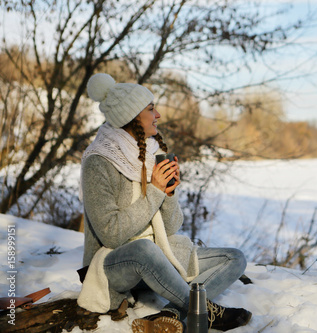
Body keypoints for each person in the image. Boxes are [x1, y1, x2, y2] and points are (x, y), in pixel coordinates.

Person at [77, 73, 252, 332]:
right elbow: (111, 235)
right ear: (132, 116)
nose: (157, 115)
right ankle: (204, 312)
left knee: (234, 258)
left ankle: (170, 315)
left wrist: (168, 193)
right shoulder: (98, 162)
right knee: (143, 250)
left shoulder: (150, 154)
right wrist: (156, 191)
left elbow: (170, 228)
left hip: (157, 258)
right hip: (113, 264)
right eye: (151, 109)